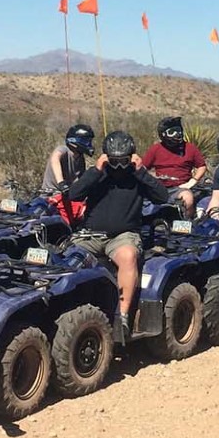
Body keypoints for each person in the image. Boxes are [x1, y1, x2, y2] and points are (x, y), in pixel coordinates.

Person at [67, 130, 171, 344]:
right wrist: (96, 170)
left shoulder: (136, 176)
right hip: (91, 235)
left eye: (123, 161)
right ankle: (69, 309)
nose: (118, 166)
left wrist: (141, 172)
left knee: (128, 256)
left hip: (123, 235)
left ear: (131, 156)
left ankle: (122, 316)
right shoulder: (98, 174)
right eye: (114, 161)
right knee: (69, 258)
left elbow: (162, 196)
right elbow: (74, 194)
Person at [140, 116, 207, 219]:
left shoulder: (189, 148)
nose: (177, 134)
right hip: (160, 189)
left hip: (182, 188)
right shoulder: (156, 149)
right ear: (163, 134)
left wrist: (192, 181)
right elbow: (143, 168)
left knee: (187, 198)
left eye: (178, 130)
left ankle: (187, 223)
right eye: (172, 132)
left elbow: (201, 166)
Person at [41, 123, 95, 194]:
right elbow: (55, 159)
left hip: (68, 195)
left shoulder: (80, 158)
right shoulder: (63, 150)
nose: (89, 144)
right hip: (51, 194)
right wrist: (61, 183)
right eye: (86, 141)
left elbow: (80, 179)